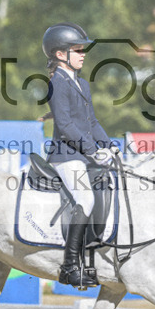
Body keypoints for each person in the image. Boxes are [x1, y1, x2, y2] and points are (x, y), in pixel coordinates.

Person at [42, 22, 117, 288]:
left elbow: (92, 122)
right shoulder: (56, 84)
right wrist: (94, 151)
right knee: (84, 198)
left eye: (83, 49)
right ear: (60, 54)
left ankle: (95, 258)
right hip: (66, 155)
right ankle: (70, 265)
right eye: (77, 49)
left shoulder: (82, 84)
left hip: (83, 154)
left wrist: (110, 145)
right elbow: (65, 125)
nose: (83, 54)